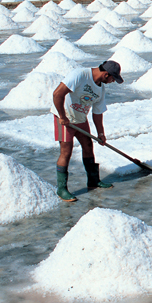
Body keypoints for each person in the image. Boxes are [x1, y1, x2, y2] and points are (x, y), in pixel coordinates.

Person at [51, 61, 124, 201]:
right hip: (64, 117)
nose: (113, 81)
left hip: (79, 118)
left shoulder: (100, 88)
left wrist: (101, 133)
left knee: (88, 146)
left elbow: (97, 113)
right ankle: (61, 189)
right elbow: (57, 94)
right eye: (113, 78)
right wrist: (62, 116)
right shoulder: (80, 75)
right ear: (106, 74)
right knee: (66, 151)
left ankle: (93, 181)